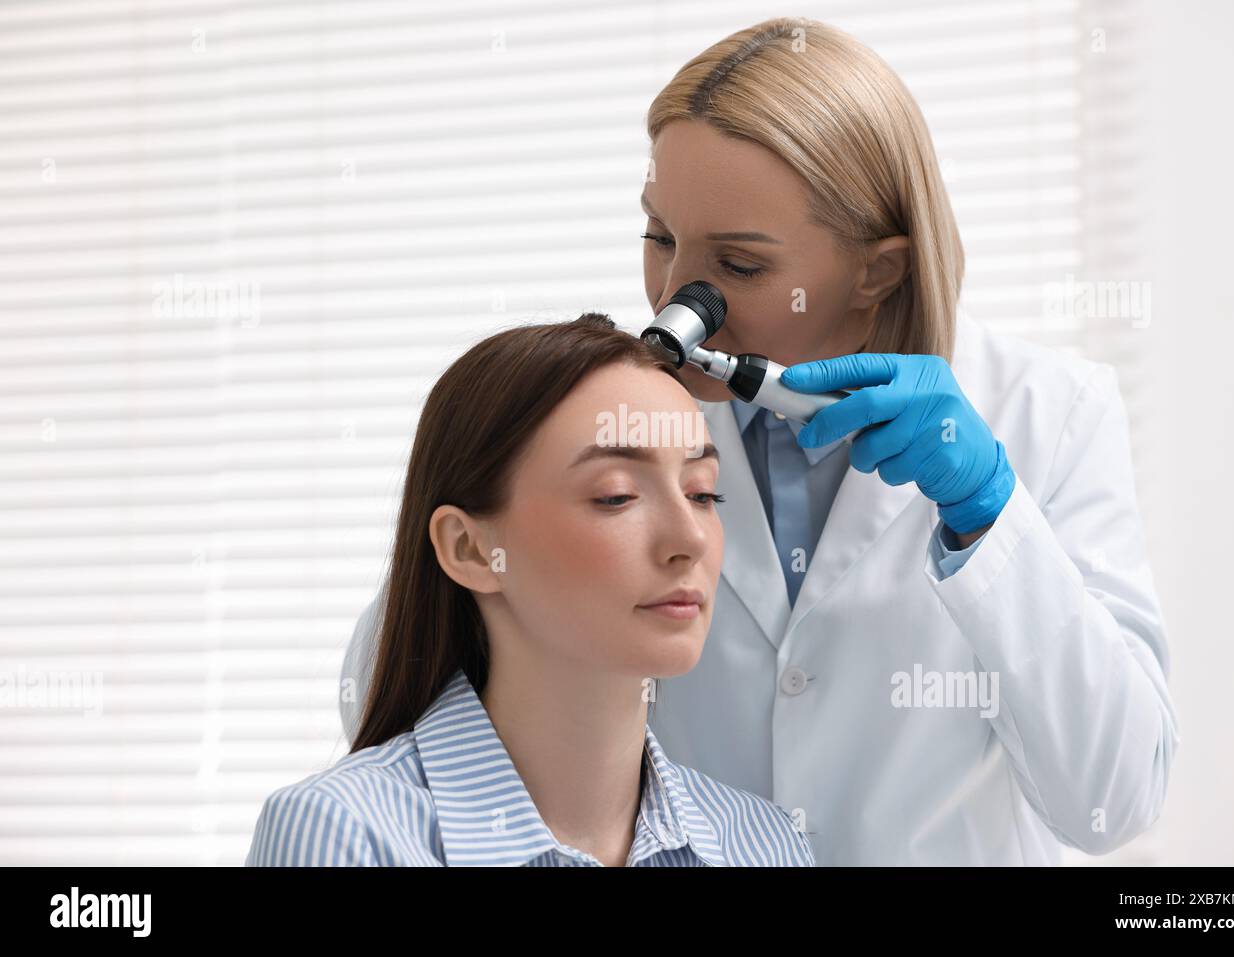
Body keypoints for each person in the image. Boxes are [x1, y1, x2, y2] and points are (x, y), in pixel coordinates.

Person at [341, 17, 1180, 866]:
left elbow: (1112, 797)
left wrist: (989, 518)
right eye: (658, 237)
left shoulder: (1050, 412)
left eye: (738, 266)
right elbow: (399, 696)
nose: (675, 298)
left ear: (875, 270)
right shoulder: (620, 416)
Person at [248, 314, 814, 866]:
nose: (690, 538)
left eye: (702, 494)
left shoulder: (763, 846)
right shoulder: (341, 834)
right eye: (615, 496)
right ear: (469, 549)